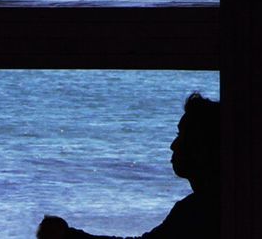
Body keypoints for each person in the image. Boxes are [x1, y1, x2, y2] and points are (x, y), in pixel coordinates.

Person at [36, 93, 220, 239]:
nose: (173, 145)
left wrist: (67, 236)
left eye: (183, 136)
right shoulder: (206, 206)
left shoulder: (199, 211)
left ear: (204, 145)